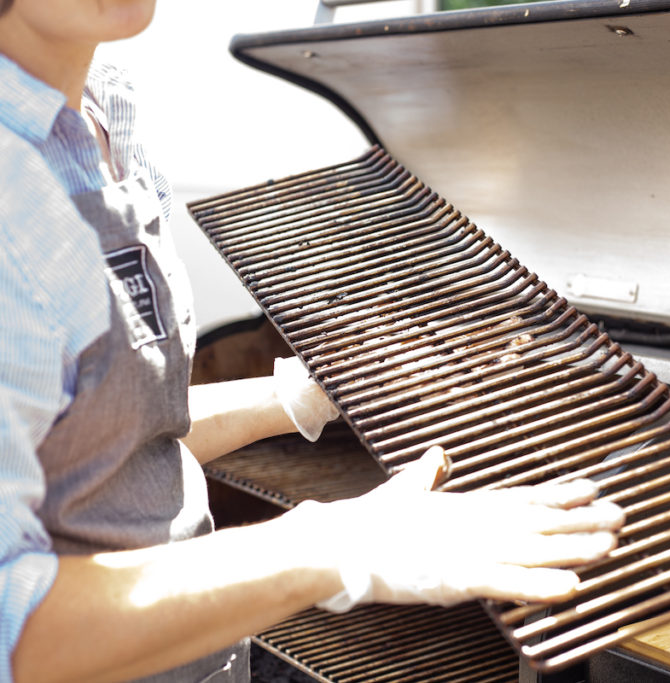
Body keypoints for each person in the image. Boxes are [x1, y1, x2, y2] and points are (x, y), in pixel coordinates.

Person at [0, 1, 624, 681]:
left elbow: (108, 449)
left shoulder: (105, 119)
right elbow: (15, 627)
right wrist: (326, 547)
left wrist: (303, 393)